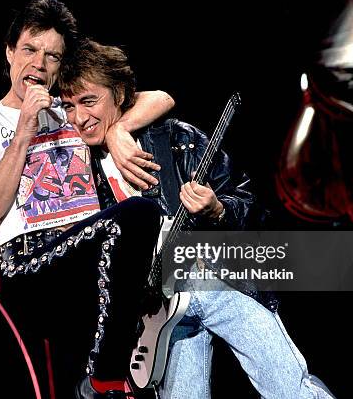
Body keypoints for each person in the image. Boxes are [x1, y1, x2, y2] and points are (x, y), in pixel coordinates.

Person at [58, 39, 337, 399]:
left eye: (88, 101)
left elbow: (252, 206)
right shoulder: (78, 172)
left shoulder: (178, 139)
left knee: (290, 390)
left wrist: (217, 209)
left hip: (221, 279)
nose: (79, 118)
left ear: (119, 94)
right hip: (162, 316)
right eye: (69, 106)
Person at [0, 0, 174, 399]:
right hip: (33, 266)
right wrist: (25, 127)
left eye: (52, 56)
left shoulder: (70, 109)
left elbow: (161, 97)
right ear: (9, 51)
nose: (39, 63)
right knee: (138, 214)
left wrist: (119, 131)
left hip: (93, 260)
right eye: (30, 49)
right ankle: (106, 378)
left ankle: (104, 383)